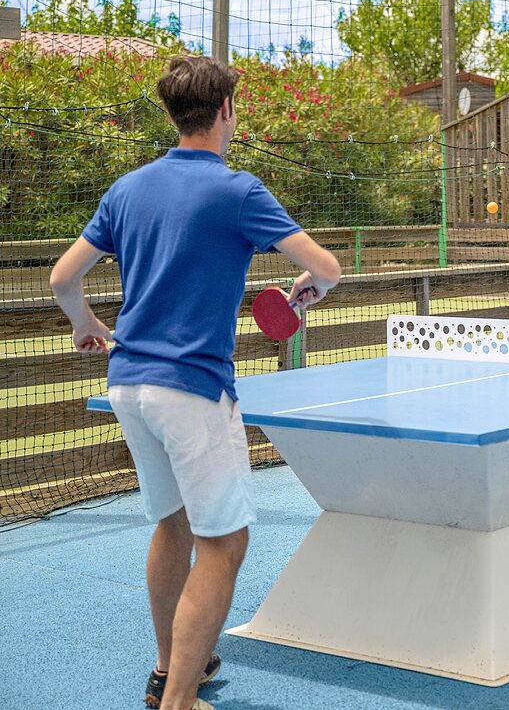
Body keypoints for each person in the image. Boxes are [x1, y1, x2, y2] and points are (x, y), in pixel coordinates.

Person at [49, 56, 342, 710]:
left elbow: (62, 279)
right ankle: (177, 700)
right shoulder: (237, 189)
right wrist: (307, 290)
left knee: (172, 524)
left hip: (127, 382)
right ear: (226, 111)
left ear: (173, 114)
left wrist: (85, 323)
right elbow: (326, 266)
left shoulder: (127, 189)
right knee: (225, 542)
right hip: (192, 389)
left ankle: (171, 669)